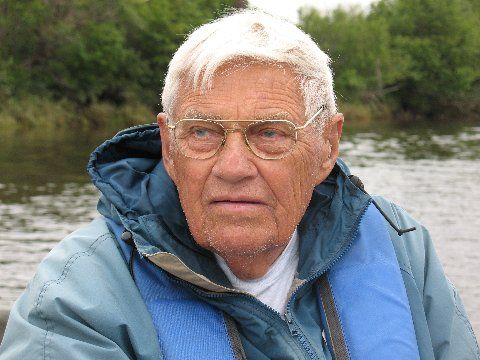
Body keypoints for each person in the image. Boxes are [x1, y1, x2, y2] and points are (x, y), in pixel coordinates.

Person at [0, 10, 478, 360]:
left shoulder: (400, 247)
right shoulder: (77, 298)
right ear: (169, 145)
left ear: (327, 147)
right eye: (203, 132)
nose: (232, 167)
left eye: (269, 133)